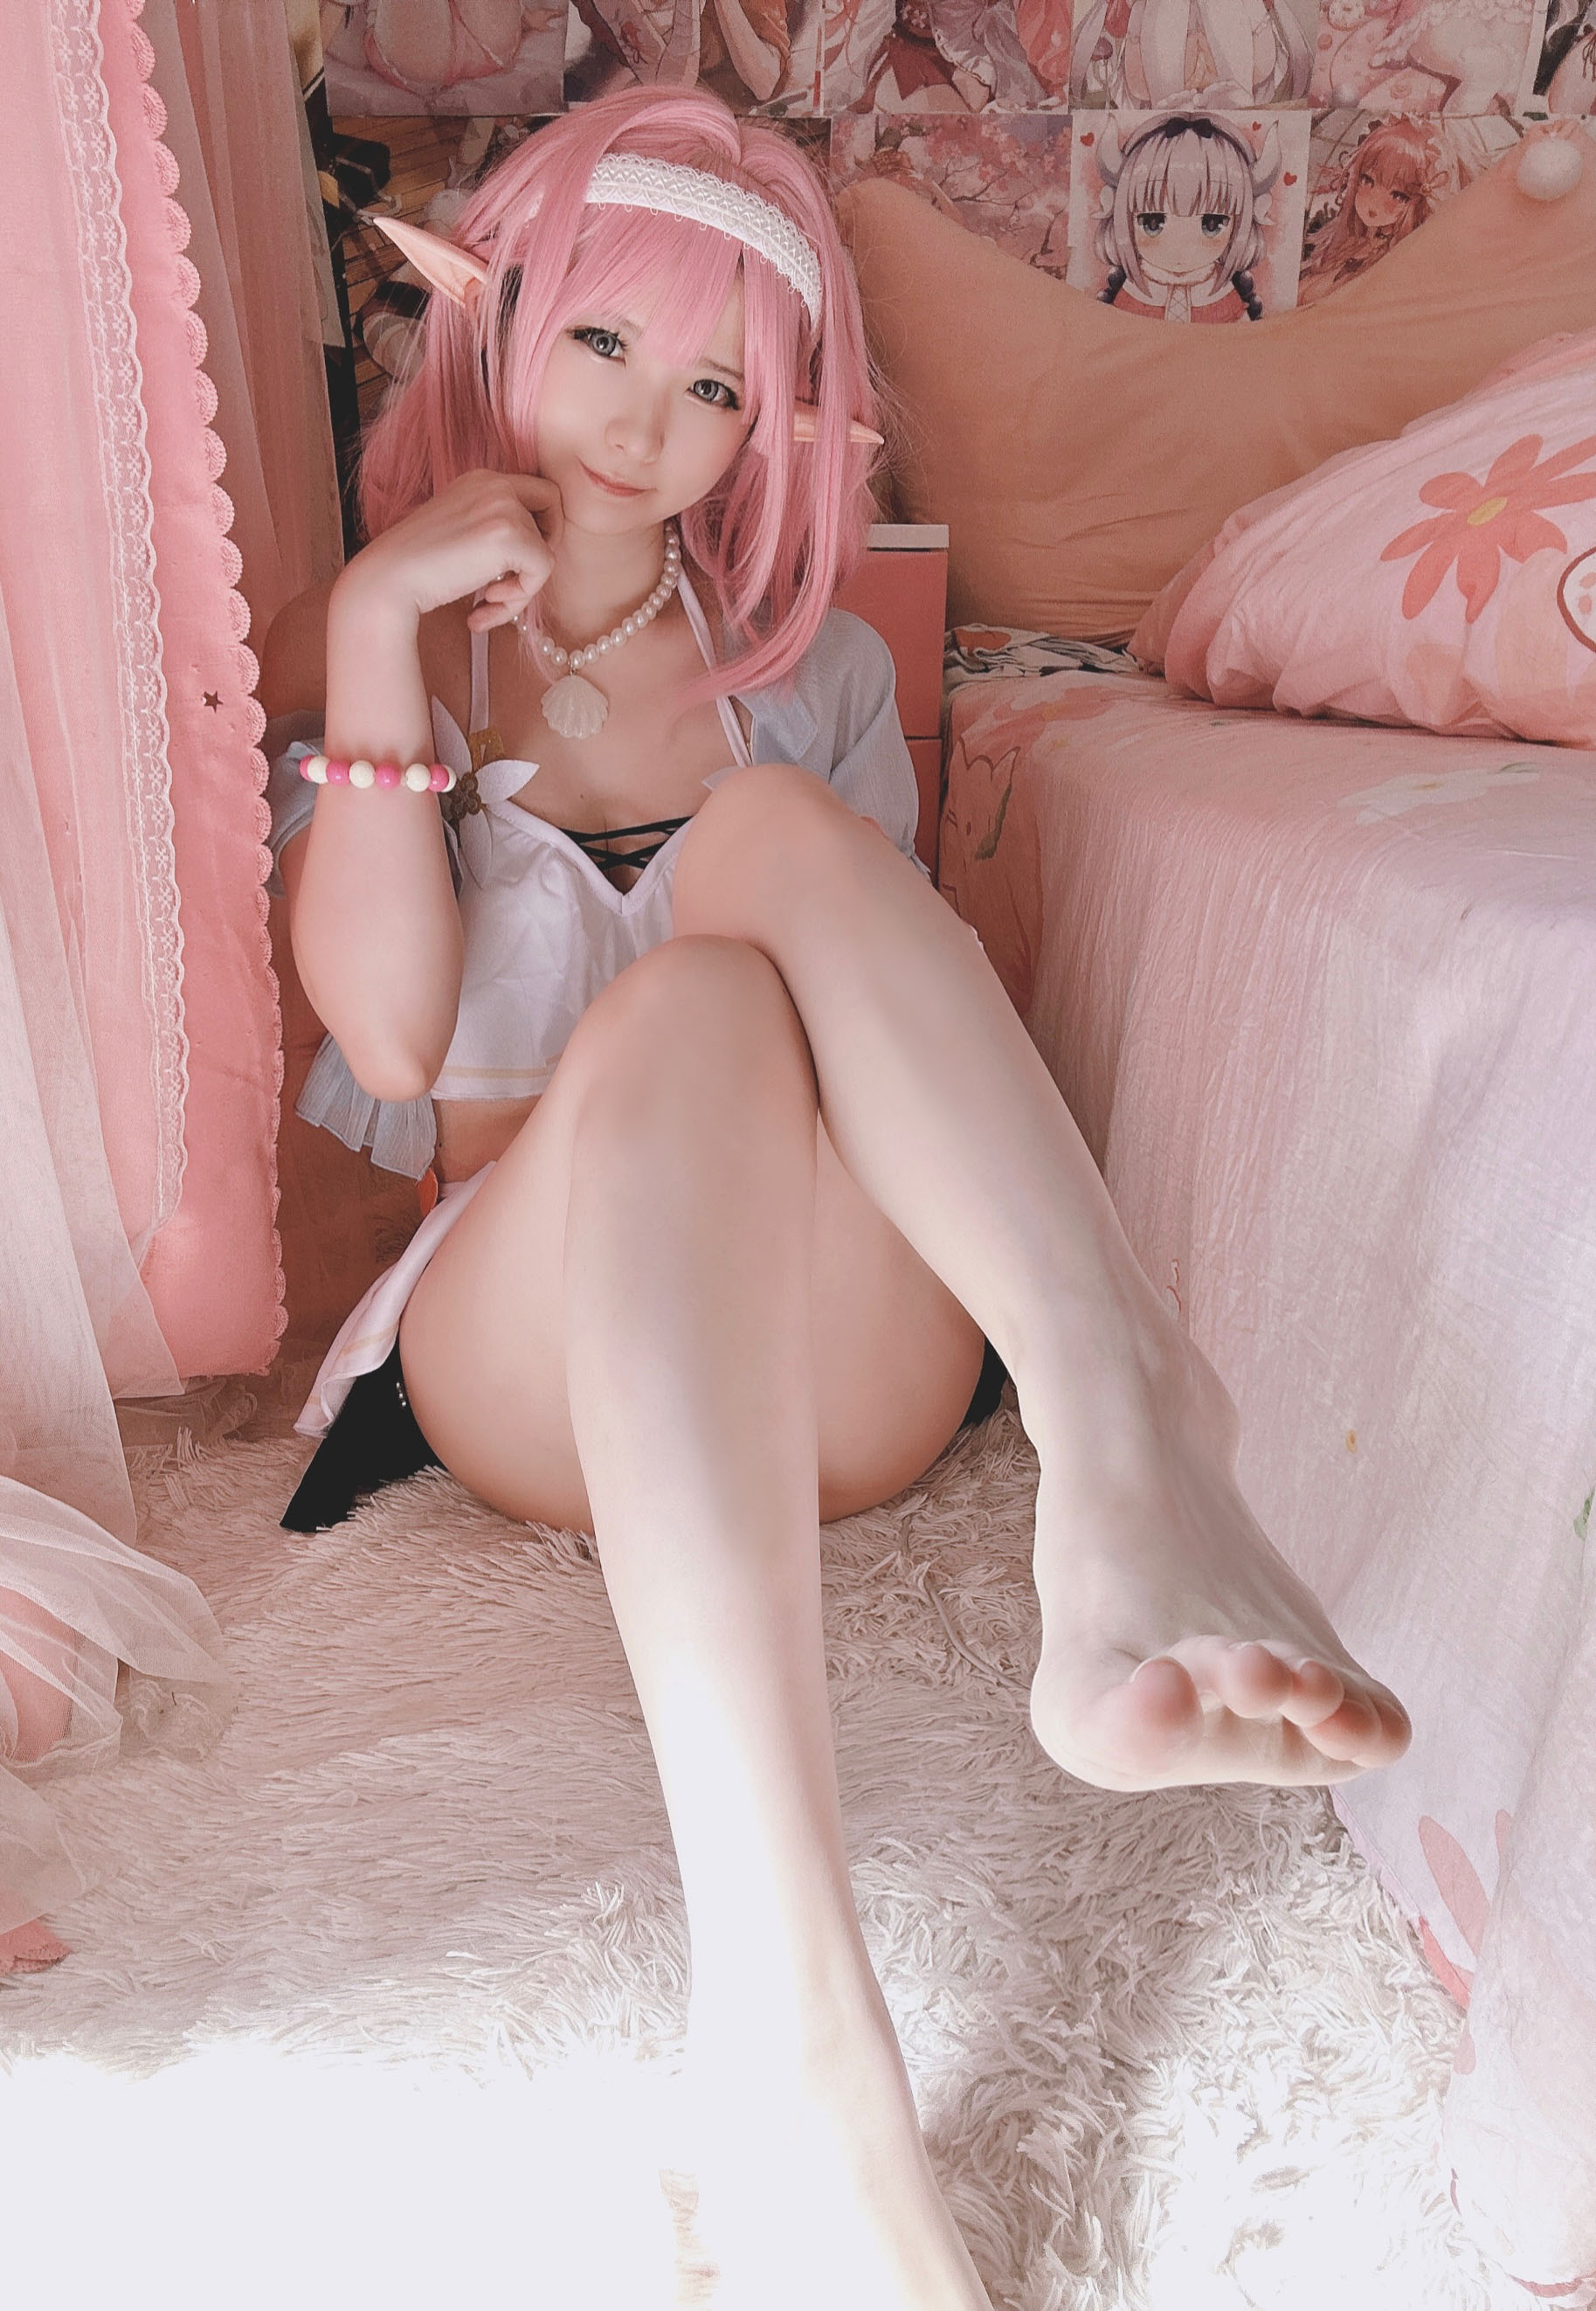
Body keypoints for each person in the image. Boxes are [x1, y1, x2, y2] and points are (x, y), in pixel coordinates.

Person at [259, 83, 1410, 2307]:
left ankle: (1121, 1444)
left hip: (846, 1346)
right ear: (498, 322)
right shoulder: (369, 631)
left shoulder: (823, 678)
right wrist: (390, 622)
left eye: (716, 387)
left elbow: (880, 1037)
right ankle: (800, 2043)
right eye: (605, 343)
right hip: (539, 1342)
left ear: (769, 426)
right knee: (688, 1002)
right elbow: (391, 1046)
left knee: (771, 850)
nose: (645, 423)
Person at [1094, 109, 1280, 322]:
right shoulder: (1131, 293)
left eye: (1212, 224)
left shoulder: (1224, 295)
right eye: (1153, 223)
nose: (1179, 247)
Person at [1298, 115, 1441, 307]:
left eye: (1398, 195)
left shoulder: (1396, 259)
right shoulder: (1349, 241)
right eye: (1367, 180)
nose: (1375, 202)